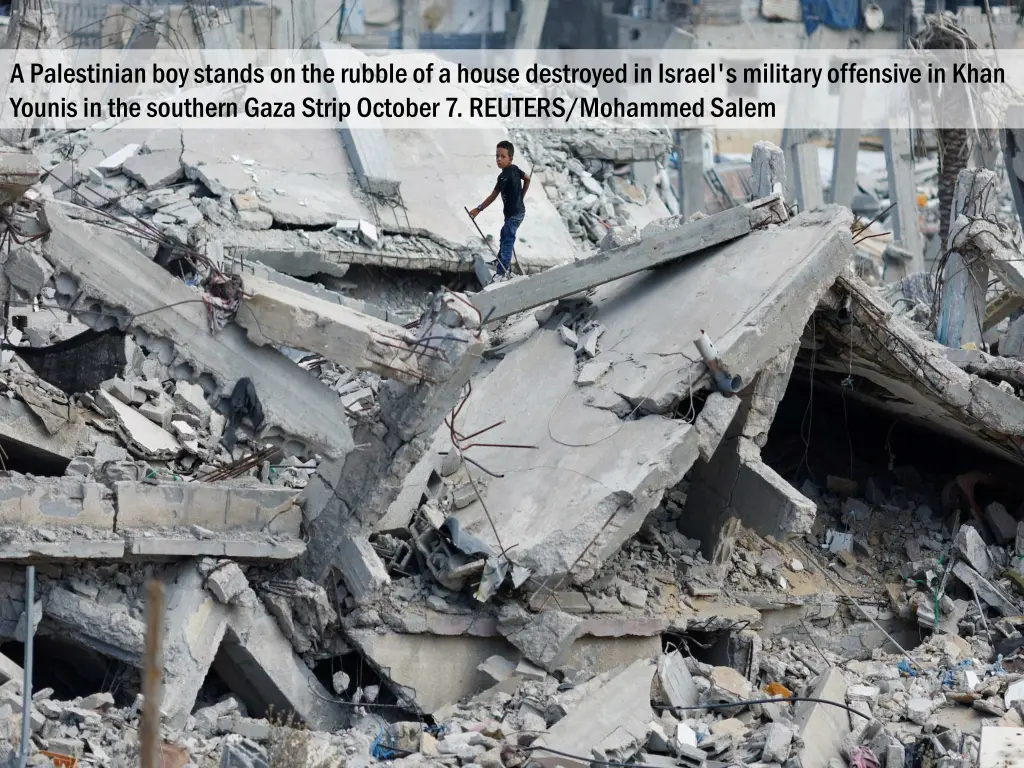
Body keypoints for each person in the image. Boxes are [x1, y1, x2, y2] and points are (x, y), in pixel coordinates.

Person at [469, 140, 530, 278]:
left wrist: (478, 209)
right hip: (518, 212)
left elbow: (493, 196)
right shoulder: (515, 169)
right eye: (497, 156)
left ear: (510, 158)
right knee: (504, 234)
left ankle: (503, 271)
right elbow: (527, 179)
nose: (498, 159)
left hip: (514, 214)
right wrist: (521, 196)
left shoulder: (503, 177)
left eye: (502, 156)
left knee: (508, 239)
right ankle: (500, 262)